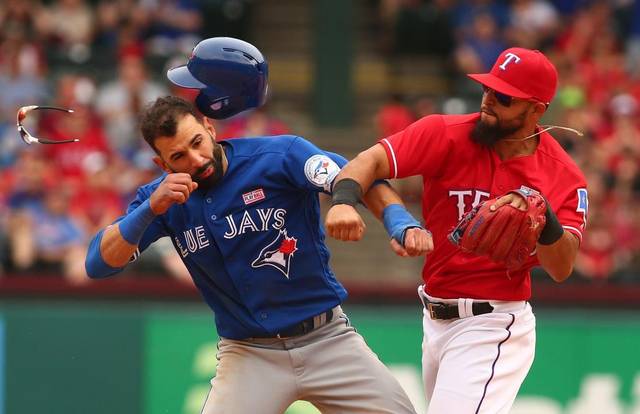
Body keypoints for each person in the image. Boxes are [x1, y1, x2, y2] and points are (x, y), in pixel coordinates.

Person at [86, 37, 431, 414]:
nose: (197, 159)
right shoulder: (162, 200)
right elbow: (98, 264)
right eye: (179, 156)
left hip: (328, 340)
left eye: (197, 142)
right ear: (162, 165)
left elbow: (357, 176)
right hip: (248, 353)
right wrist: (149, 210)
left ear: (210, 127)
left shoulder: (278, 157)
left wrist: (398, 223)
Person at [325, 47, 588, 413]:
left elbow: (562, 267)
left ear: (536, 110)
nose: (489, 101)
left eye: (504, 97)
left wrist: (544, 218)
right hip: (434, 317)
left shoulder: (562, 175)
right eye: (487, 89)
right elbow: (370, 161)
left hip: (495, 322)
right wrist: (343, 200)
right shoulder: (445, 133)